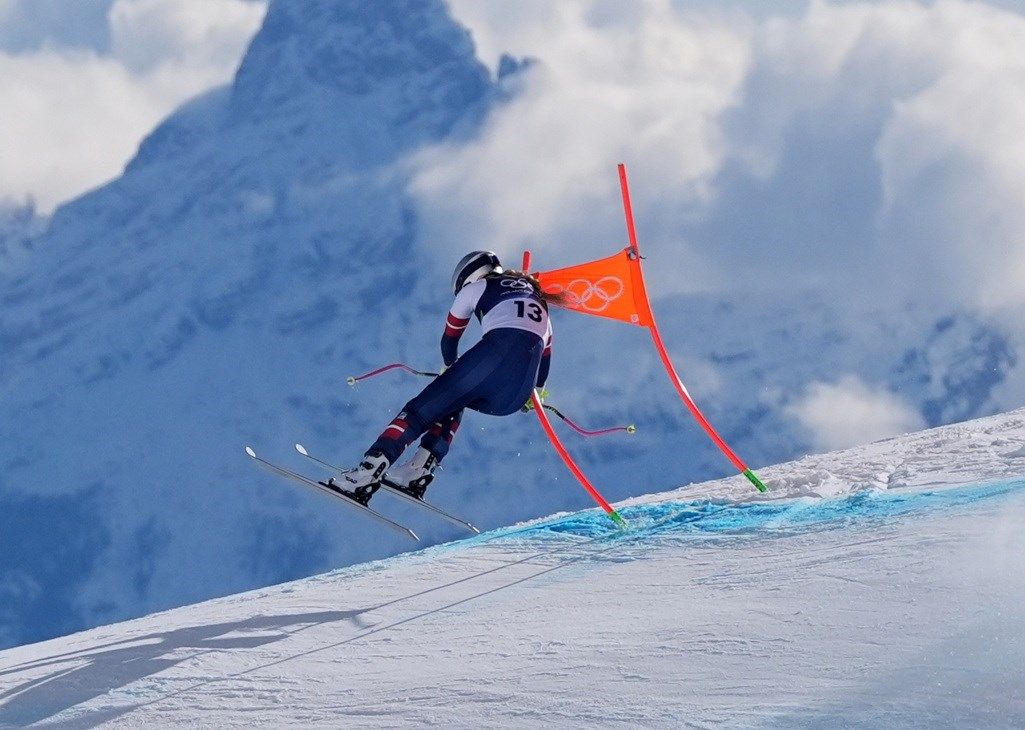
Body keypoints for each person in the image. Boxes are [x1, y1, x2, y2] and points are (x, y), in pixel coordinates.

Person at [334, 250, 553, 503]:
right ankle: (418, 470)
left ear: (469, 275)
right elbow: (544, 363)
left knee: (418, 412)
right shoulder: (539, 301)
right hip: (513, 398)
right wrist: (533, 394)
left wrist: (449, 370)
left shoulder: (478, 287)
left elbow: (449, 339)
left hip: (492, 359)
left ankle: (365, 474)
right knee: (454, 400)